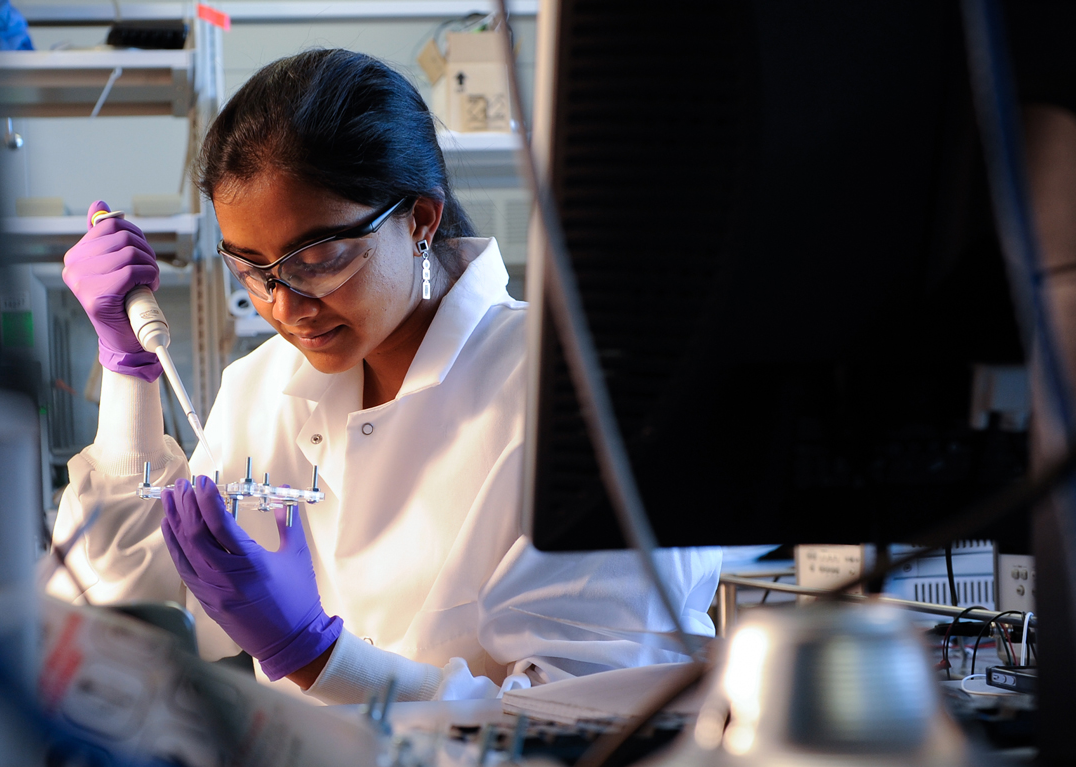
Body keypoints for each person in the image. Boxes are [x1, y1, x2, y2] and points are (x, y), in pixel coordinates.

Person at [47, 49, 718, 703]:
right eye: (252, 269)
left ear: (420, 219)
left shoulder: (579, 401)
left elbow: (585, 722)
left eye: (320, 259)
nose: (284, 307)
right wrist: (127, 367)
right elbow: (132, 611)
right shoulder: (261, 387)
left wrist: (316, 657)